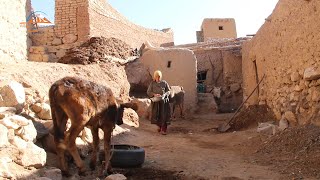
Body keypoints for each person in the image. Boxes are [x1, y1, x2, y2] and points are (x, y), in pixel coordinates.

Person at [147, 70, 171, 135]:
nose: (158, 78)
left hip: (164, 102)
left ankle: (163, 129)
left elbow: (169, 91)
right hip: (156, 102)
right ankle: (159, 126)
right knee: (157, 114)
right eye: (157, 77)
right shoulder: (152, 84)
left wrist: (165, 95)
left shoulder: (164, 83)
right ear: (155, 77)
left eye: (159, 76)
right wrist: (154, 94)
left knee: (164, 115)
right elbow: (148, 92)